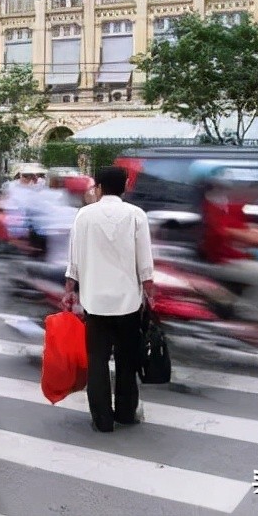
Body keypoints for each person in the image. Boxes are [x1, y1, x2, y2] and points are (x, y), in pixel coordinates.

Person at [63, 166, 154, 433]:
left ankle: (102, 420)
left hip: (95, 301)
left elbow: (74, 259)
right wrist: (149, 292)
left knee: (98, 360)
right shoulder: (136, 215)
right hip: (128, 301)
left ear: (99, 187)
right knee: (127, 360)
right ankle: (125, 413)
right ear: (124, 186)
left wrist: (69, 290)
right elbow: (145, 261)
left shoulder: (84, 215)